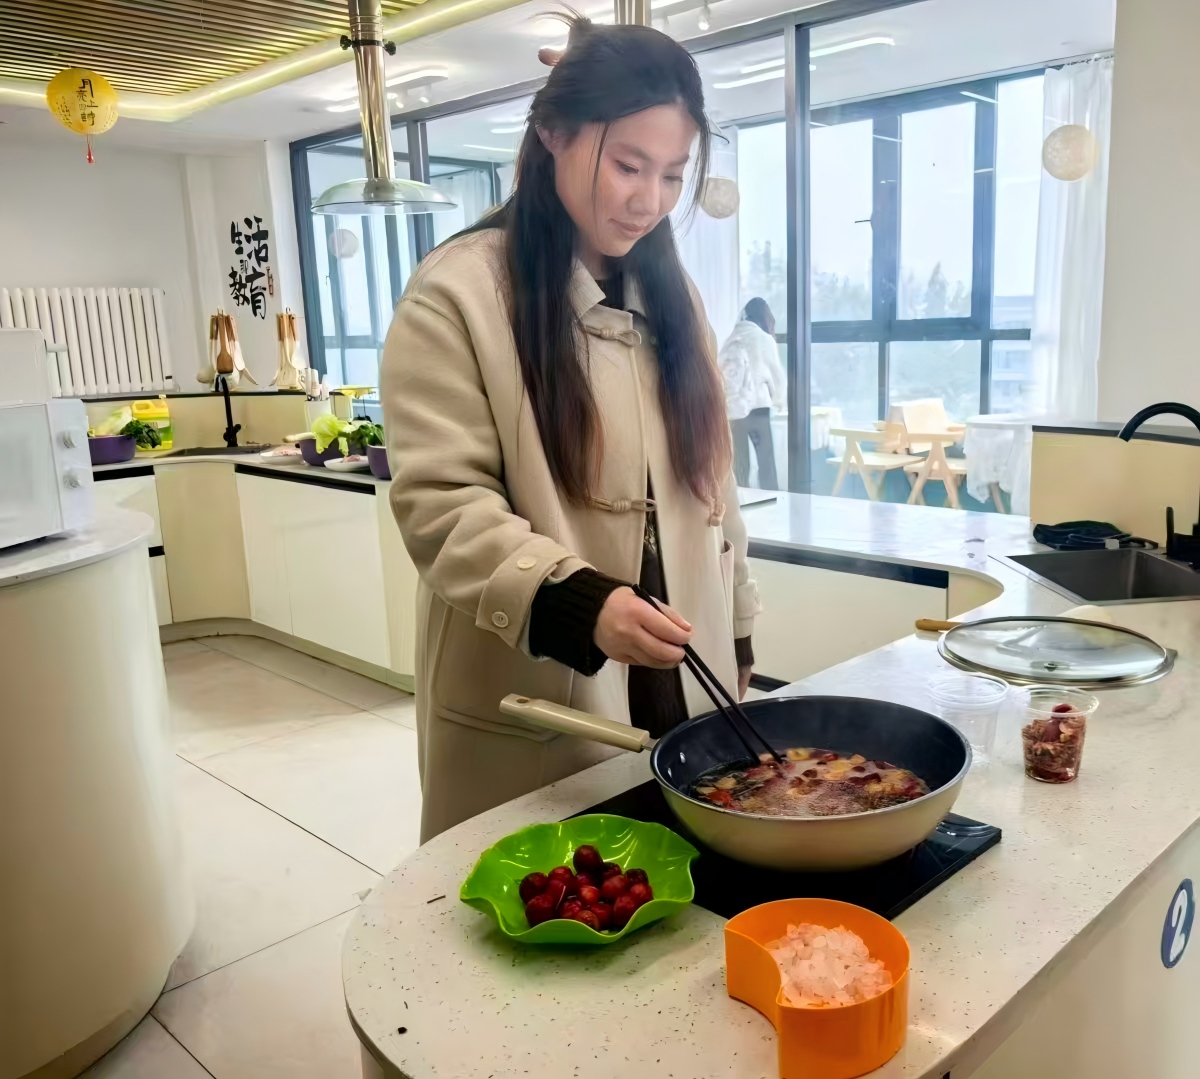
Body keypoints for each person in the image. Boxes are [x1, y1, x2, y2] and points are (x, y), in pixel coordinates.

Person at [380, 16, 761, 842]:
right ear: (553, 132)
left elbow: (715, 482)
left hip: (680, 682)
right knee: (554, 897)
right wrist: (576, 600)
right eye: (627, 165)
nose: (648, 200)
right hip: (544, 692)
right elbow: (442, 505)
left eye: (671, 174)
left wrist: (737, 628)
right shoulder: (459, 293)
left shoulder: (674, 298)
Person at [719, 297, 786, 489]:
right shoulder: (764, 340)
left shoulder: (730, 340)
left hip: (733, 412)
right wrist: (780, 402)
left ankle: (742, 501)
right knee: (766, 463)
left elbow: (719, 373)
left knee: (740, 466)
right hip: (758, 410)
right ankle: (772, 499)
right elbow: (776, 376)